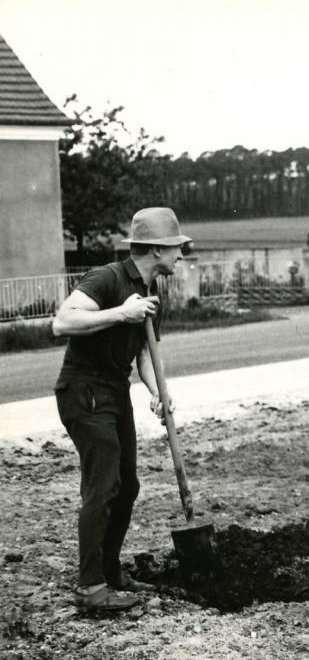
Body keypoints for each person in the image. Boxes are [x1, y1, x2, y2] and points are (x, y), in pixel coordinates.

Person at [52, 207, 190, 613]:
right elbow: (62, 322)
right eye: (176, 247)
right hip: (84, 389)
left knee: (127, 485)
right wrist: (121, 312)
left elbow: (145, 351)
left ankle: (110, 571)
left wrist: (156, 391)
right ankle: (90, 587)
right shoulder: (107, 278)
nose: (181, 254)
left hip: (114, 392)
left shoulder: (151, 295)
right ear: (155, 249)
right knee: (103, 487)